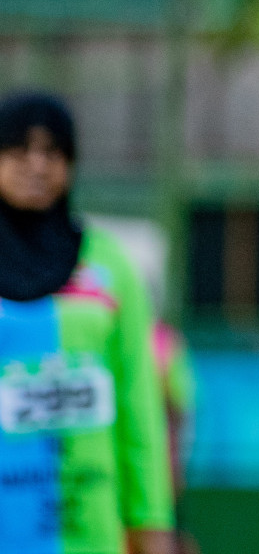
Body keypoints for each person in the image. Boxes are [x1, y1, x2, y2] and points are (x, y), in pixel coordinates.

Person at [0, 92, 175, 554]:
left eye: (53, 153)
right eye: (19, 151)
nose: (37, 167)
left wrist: (151, 521)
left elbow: (139, 401)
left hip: (89, 526)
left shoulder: (109, 264)